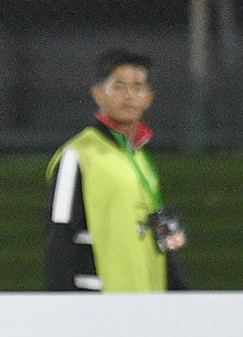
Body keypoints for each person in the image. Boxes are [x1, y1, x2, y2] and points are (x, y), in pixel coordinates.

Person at [43, 48, 189, 292]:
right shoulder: (77, 154)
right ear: (98, 94)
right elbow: (59, 235)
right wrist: (64, 304)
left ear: (148, 98)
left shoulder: (142, 160)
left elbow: (161, 236)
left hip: (145, 301)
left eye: (138, 87)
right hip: (97, 302)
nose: (129, 95)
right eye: (119, 86)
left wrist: (182, 296)